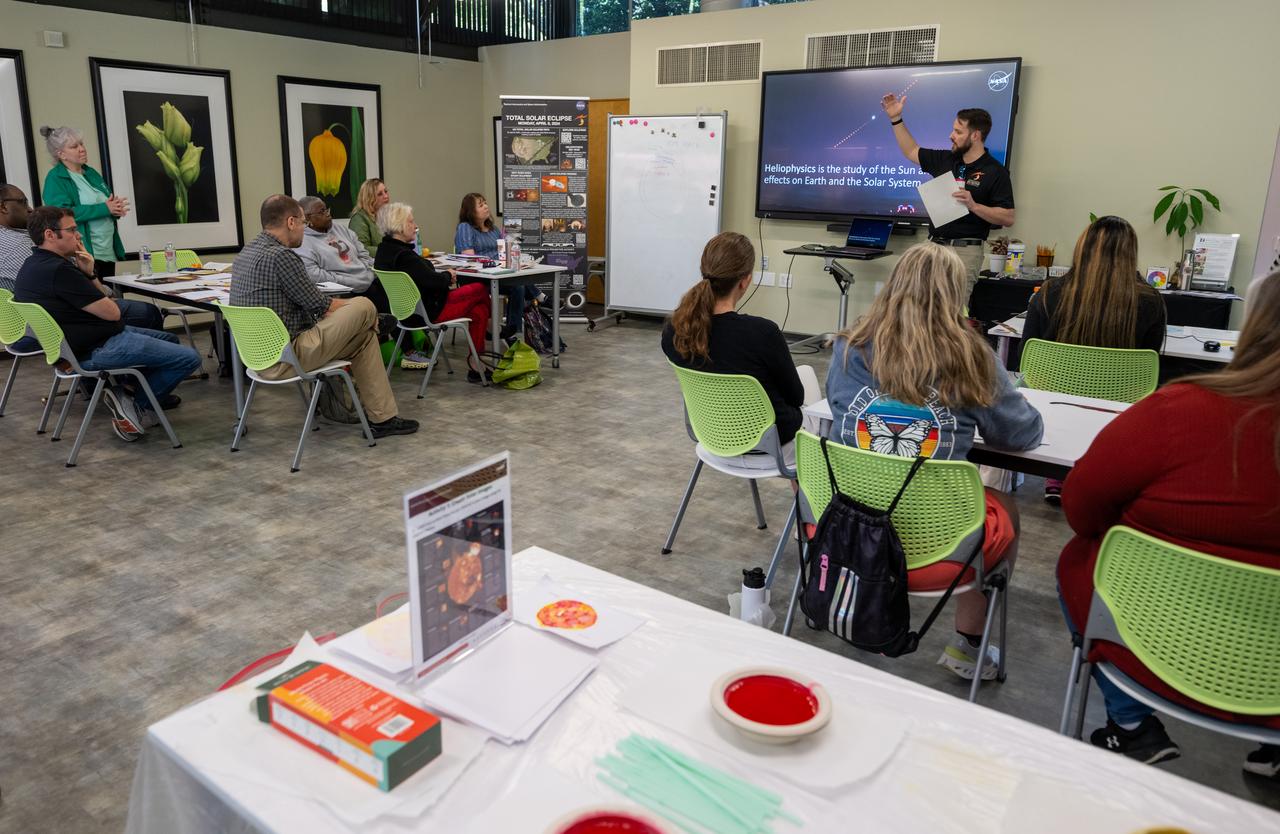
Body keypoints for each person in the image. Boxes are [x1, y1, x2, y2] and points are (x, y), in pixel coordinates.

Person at [1058, 269, 1280, 773]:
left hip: (1147, 647)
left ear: (1256, 328)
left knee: (1078, 558)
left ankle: (1130, 724)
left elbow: (1081, 509)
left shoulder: (1178, 410)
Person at [826, 242, 1043, 681]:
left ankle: (859, 606)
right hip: (940, 535)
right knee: (1007, 507)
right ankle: (969, 645)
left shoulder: (849, 347)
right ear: (954, 295)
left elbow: (838, 412)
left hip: (854, 519)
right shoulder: (971, 354)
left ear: (893, 286)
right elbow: (1020, 433)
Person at [230, 195, 418, 438]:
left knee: (365, 338)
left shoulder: (247, 252)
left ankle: (383, 419)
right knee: (364, 304)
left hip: (257, 358)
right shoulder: (283, 257)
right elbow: (322, 306)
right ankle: (377, 321)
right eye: (301, 223)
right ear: (290, 222)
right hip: (289, 357)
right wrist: (362, 312)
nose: (304, 229)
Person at [14, 206, 201, 441]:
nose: (79, 235)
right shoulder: (60, 271)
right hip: (96, 349)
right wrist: (89, 276)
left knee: (171, 339)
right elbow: (112, 312)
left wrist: (88, 274)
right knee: (189, 358)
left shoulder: (32, 265)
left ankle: (129, 392)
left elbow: (104, 304)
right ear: (50, 235)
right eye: (72, 230)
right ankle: (136, 405)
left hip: (72, 349)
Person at [1023, 215, 1167, 504]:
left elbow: (1026, 354)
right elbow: (1152, 370)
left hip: (1054, 403)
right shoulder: (1151, 302)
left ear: (1082, 249)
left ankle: (1057, 476)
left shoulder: (1048, 294)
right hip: (1116, 411)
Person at [661, 231, 822, 471]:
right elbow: (796, 398)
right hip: (771, 446)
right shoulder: (763, 333)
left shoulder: (674, 330)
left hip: (712, 439)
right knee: (816, 402)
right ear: (745, 281)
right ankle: (807, 498)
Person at [880, 96, 1015, 300]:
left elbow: (1007, 217)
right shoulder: (945, 159)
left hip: (965, 252)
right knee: (919, 308)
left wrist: (974, 205)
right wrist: (896, 119)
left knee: (953, 313)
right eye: (953, 129)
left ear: (975, 135)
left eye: (958, 132)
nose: (951, 135)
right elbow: (910, 151)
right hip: (933, 247)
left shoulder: (995, 171)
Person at [1, 183, 164, 344]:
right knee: (148, 313)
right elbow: (68, 284)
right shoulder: (15, 245)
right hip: (58, 319)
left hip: (50, 313)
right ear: (3, 207)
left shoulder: (21, 238)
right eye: (23, 202)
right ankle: (126, 363)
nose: (29, 209)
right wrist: (99, 286)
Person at [373, 201, 491, 384]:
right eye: (411, 222)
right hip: (427, 312)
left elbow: (423, 278)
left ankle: (476, 366)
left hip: (405, 313)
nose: (416, 226)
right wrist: (448, 275)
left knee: (479, 311)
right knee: (479, 288)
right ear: (399, 226)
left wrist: (441, 276)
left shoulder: (384, 251)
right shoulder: (404, 256)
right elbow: (433, 282)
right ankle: (493, 332)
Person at [39, 126, 129, 279]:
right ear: (61, 154)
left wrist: (115, 209)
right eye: (74, 146)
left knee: (114, 297)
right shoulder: (55, 178)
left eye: (81, 144)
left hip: (108, 250)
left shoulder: (91, 173)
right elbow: (61, 215)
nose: (82, 149)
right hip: (85, 253)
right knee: (102, 299)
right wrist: (104, 208)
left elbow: (105, 206)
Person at [454, 192, 545, 342]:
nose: (486, 207)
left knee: (519, 286)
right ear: (471, 210)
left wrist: (515, 259)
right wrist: (496, 261)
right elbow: (470, 258)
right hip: (477, 279)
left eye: (485, 203)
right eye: (481, 205)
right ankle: (540, 297)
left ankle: (512, 331)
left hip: (498, 274)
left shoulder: (493, 229)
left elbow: (504, 253)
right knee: (518, 284)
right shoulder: (465, 228)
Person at [348, 178, 389, 255]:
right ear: (369, 198)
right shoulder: (359, 219)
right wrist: (390, 251)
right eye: (380, 194)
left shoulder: (387, 215)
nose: (386, 196)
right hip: (370, 265)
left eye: (386, 191)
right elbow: (361, 248)